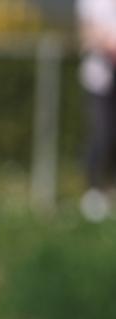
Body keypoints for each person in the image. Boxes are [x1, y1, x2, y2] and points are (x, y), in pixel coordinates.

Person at [77, 0, 116, 221]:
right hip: (100, 79)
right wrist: (108, 44)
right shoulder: (92, 2)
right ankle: (93, 189)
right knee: (102, 134)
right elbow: (86, 31)